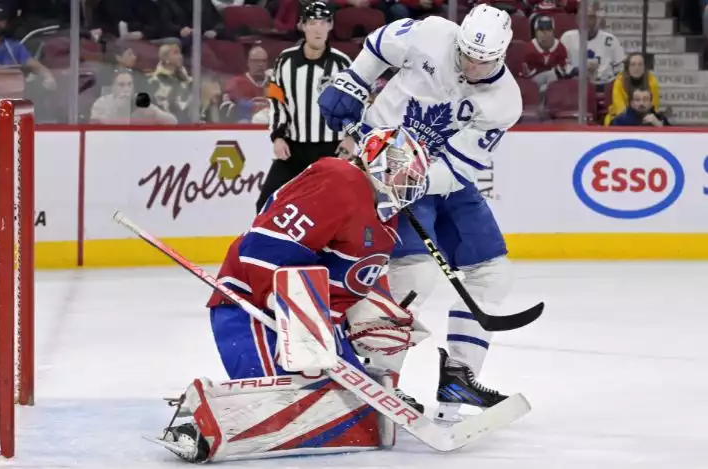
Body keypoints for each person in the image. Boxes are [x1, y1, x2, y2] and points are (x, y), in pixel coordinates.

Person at [157, 126, 432, 462]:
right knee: (290, 412)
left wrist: (376, 313)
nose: (409, 184)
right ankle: (197, 419)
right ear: (378, 160)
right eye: (404, 172)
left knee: (354, 416)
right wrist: (293, 312)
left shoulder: (387, 218)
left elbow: (357, 278)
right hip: (253, 307)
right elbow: (264, 246)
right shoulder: (340, 179)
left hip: (313, 324)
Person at [318, 4, 522, 421]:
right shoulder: (431, 33)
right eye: (466, 55)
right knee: (416, 272)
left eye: (484, 62)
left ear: (502, 55)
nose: (472, 67)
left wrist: (413, 179)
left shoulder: (504, 101)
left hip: (439, 178)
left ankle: (459, 377)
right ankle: (379, 377)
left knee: (494, 272)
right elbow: (379, 45)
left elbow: (459, 167)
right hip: (381, 157)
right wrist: (355, 80)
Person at [259, 1, 352, 213]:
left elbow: (356, 104)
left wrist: (350, 137)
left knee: (330, 209)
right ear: (302, 25)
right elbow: (276, 99)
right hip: (294, 149)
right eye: (312, 22)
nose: (318, 28)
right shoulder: (285, 61)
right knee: (266, 204)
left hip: (331, 150)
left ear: (331, 26)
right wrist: (278, 136)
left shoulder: (342, 64)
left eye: (324, 22)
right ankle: (271, 246)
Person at [604, 52, 660, 126]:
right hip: (624, 117)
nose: (637, 68)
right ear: (628, 67)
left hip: (646, 116)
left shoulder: (652, 81)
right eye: (633, 64)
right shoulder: (620, 81)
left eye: (640, 64)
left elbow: (653, 106)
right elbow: (620, 109)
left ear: (644, 67)